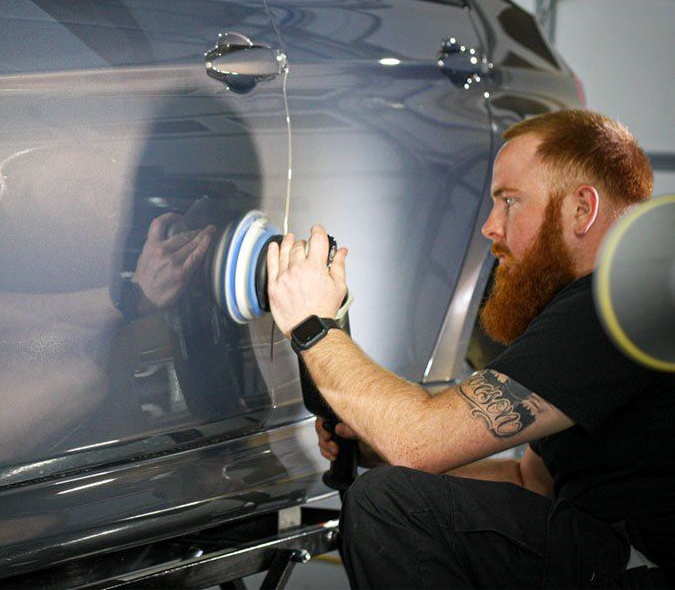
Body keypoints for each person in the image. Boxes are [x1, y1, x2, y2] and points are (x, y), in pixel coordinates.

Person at [266, 110, 674, 588]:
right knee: (401, 488)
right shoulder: (608, 302)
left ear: (581, 209)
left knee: (393, 503)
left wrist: (312, 325)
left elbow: (419, 441)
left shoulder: (618, 303)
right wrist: (381, 449)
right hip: (616, 555)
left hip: (647, 567)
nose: (489, 226)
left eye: (509, 201)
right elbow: (531, 483)